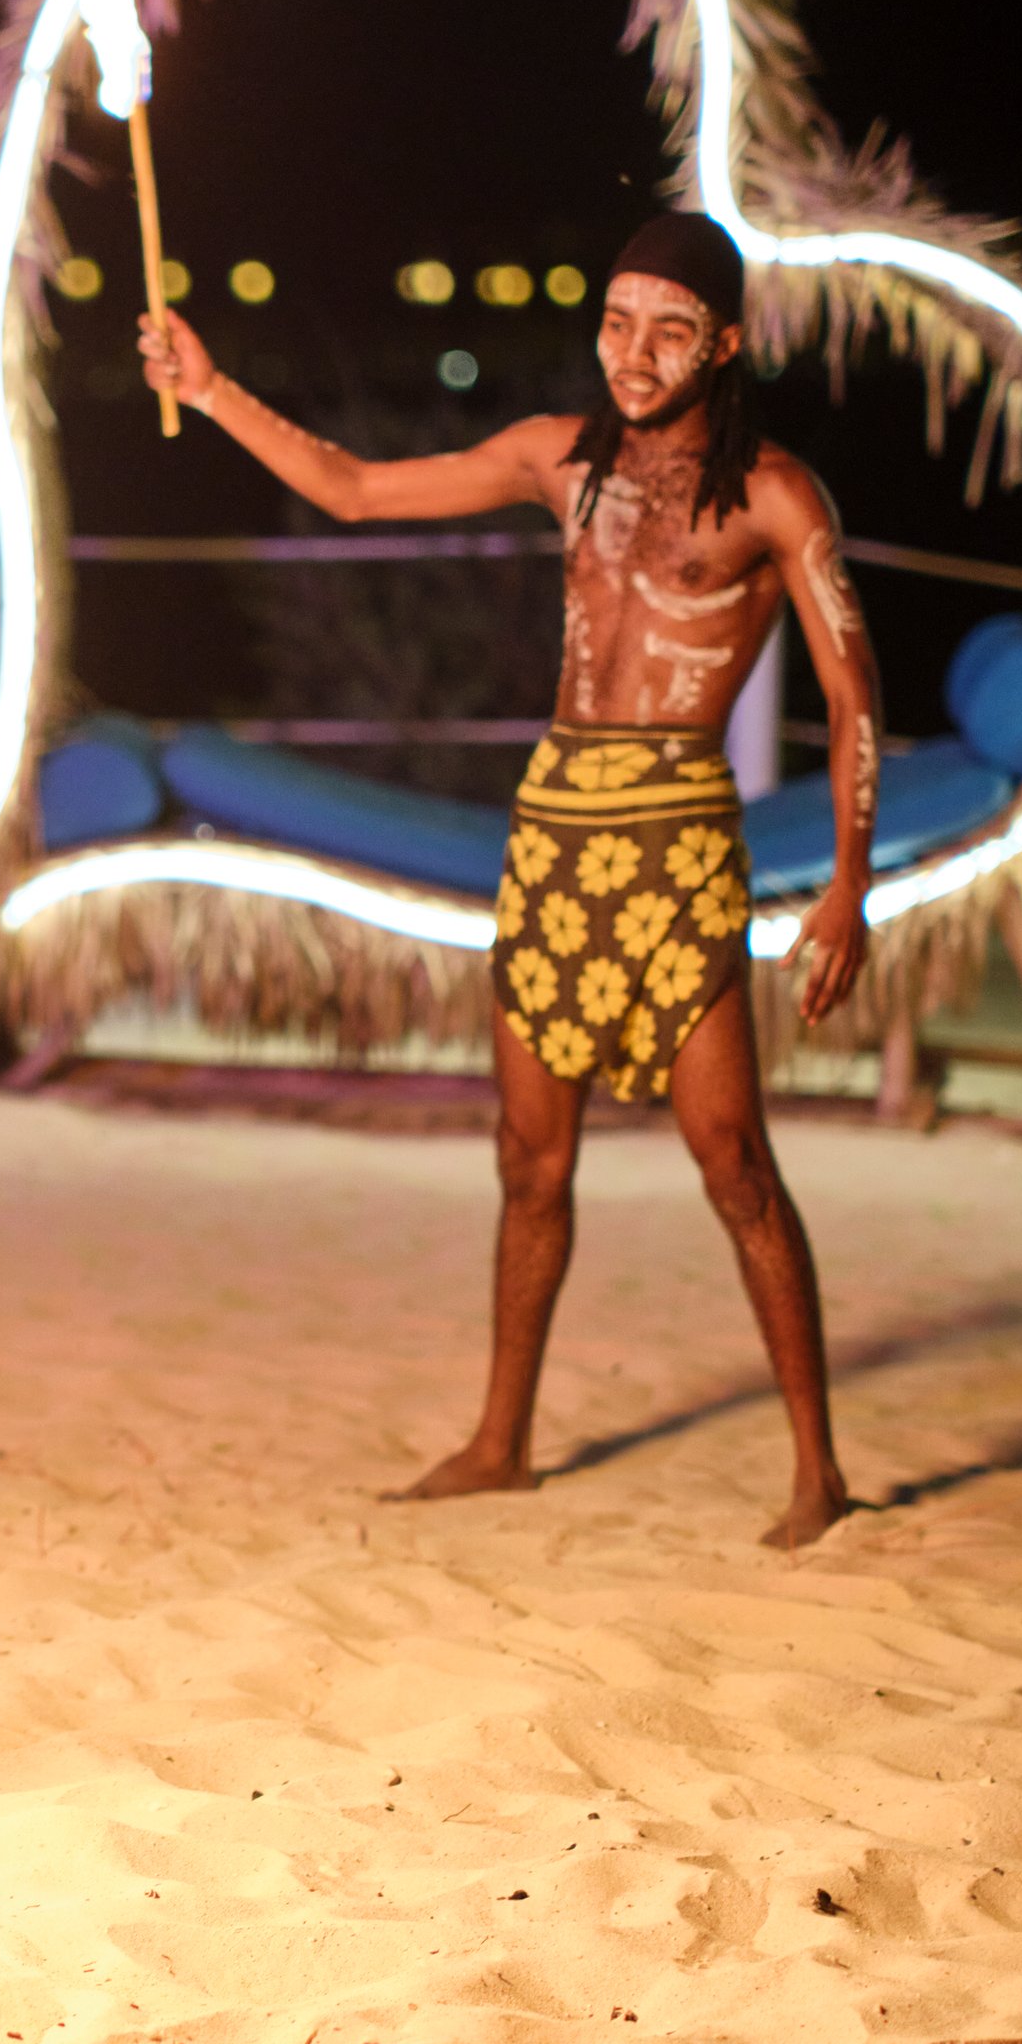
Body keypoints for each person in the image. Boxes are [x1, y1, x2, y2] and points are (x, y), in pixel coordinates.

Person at [140, 211, 878, 1548]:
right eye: (616, 322)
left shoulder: (777, 495)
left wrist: (848, 885)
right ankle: (500, 1444)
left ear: (721, 345)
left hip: (679, 845)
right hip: (553, 837)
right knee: (530, 1164)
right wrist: (210, 389)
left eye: (667, 331)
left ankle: (818, 1472)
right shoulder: (561, 459)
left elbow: (853, 692)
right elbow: (355, 489)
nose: (633, 353)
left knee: (733, 1162)